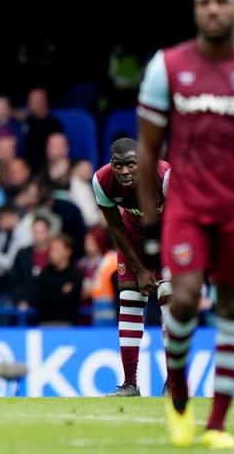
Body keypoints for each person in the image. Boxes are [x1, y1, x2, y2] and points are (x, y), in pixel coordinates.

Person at [136, 0, 234, 449]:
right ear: (195, 11)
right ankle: (178, 397)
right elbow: (146, 149)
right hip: (186, 206)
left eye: (223, 2)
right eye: (204, 2)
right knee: (181, 300)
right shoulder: (167, 66)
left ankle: (217, 425)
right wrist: (151, 227)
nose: (213, 9)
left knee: (233, 306)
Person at [92, 138, 172, 396]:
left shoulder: (166, 177)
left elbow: (181, 221)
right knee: (129, 302)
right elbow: (115, 227)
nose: (124, 171)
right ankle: (130, 384)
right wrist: (139, 269)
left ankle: (174, 383)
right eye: (118, 165)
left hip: (168, 240)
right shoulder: (101, 181)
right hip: (133, 241)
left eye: (131, 165)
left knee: (169, 303)